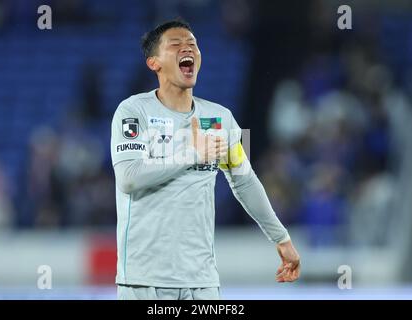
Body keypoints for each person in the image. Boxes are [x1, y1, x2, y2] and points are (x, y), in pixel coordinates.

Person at [111, 19, 300, 300]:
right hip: (144, 281)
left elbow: (245, 181)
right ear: (154, 63)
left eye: (193, 44)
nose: (187, 48)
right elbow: (129, 179)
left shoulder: (220, 119)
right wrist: (193, 153)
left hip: (203, 283)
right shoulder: (132, 110)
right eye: (176, 44)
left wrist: (281, 237)